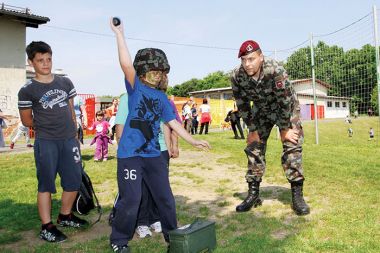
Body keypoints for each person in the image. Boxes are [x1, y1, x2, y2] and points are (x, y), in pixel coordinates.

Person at [109, 19, 210, 253]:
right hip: (130, 155)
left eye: (160, 72)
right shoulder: (135, 88)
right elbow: (125, 64)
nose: (157, 76)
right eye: (153, 71)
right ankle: (119, 241)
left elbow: (173, 122)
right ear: (144, 72)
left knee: (165, 198)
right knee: (131, 199)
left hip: (154, 154)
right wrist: (120, 34)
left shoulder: (163, 99)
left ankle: (172, 238)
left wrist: (193, 140)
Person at [17, 41, 88, 243]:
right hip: (46, 141)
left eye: (48, 59)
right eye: (40, 60)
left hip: (69, 139)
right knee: (46, 183)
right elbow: (26, 120)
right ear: (31, 62)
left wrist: (74, 132)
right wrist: (47, 127)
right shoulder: (27, 90)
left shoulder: (65, 83)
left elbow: (70, 110)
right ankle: (47, 226)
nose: (46, 64)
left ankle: (65, 215)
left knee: (74, 179)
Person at [231, 40, 310, 216]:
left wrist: (284, 129)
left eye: (251, 59)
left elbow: (285, 101)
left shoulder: (275, 70)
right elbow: (242, 104)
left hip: (287, 109)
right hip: (261, 110)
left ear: (261, 57)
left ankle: (297, 196)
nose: (247, 64)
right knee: (254, 147)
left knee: (292, 145)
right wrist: (252, 129)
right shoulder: (237, 76)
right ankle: (253, 194)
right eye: (243, 60)